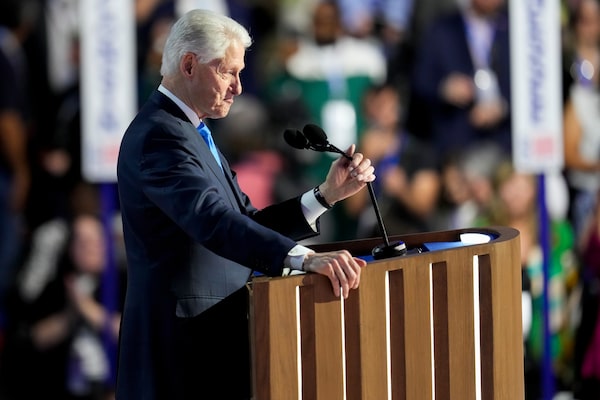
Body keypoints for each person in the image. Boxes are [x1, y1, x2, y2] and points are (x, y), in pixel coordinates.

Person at [115, 9, 375, 400]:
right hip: (179, 352)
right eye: (228, 72)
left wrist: (326, 195)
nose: (238, 87)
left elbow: (246, 222)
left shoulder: (192, 130)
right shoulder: (160, 136)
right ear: (189, 65)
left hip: (213, 342)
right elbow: (213, 221)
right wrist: (303, 259)